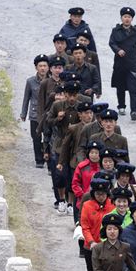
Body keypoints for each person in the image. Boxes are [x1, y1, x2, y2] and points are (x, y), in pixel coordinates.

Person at [45, 80, 81, 215]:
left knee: (72, 175)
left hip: (74, 146)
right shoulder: (57, 105)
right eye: (69, 94)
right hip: (60, 145)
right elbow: (48, 122)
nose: (72, 98)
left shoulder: (80, 107)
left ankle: (71, 203)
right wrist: (58, 119)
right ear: (65, 94)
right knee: (60, 175)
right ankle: (61, 200)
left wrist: (81, 119)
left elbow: (88, 122)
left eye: (74, 95)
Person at [81, 178, 115, 271]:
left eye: (103, 194)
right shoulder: (87, 205)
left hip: (109, 247)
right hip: (92, 248)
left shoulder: (112, 206)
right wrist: (91, 242)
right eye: (98, 193)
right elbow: (85, 226)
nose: (100, 196)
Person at [108, 7, 136, 120]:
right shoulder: (116, 31)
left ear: (132, 19)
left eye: (129, 17)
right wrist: (117, 50)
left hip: (132, 64)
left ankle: (134, 111)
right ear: (121, 18)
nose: (127, 19)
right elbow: (112, 43)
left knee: (133, 88)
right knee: (120, 86)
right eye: (125, 17)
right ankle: (121, 106)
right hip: (120, 63)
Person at [20, 54, 49, 168]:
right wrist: (23, 113)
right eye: (40, 66)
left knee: (48, 136)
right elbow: (26, 98)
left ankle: (48, 156)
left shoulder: (51, 81)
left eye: (44, 66)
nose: (42, 68)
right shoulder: (30, 81)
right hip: (35, 114)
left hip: (48, 114)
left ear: (48, 67)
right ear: (36, 67)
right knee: (36, 137)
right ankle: (39, 160)